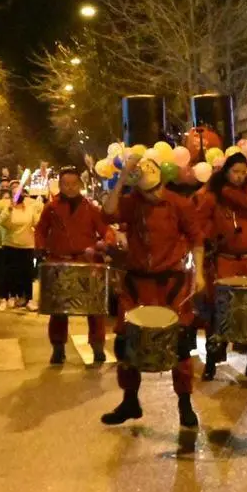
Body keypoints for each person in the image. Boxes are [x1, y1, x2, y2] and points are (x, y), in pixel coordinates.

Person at [102, 155, 206, 428]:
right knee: (125, 344)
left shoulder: (178, 203)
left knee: (179, 345)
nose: (155, 193)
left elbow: (197, 239)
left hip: (170, 282)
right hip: (137, 282)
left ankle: (184, 404)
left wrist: (201, 273)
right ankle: (130, 400)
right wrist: (123, 176)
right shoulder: (132, 203)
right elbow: (108, 211)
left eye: (158, 186)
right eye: (148, 189)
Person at [198, 152, 247, 381]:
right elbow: (199, 223)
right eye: (235, 172)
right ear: (227, 172)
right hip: (226, 261)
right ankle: (211, 362)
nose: (240, 177)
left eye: (243, 172)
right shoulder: (213, 198)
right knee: (220, 311)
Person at [35, 167, 113, 364]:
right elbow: (40, 231)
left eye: (73, 184)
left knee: (94, 309)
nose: (70, 188)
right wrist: (40, 248)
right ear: (60, 185)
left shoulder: (91, 208)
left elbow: (106, 231)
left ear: (80, 185)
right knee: (58, 309)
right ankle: (58, 348)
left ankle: (97, 347)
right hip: (60, 261)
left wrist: (102, 245)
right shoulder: (51, 207)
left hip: (86, 263)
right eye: (65, 184)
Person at [0, 184, 41, 311]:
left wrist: (40, 209)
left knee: (27, 274)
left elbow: (36, 223)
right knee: (9, 273)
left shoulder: (29, 209)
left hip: (27, 246)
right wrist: (9, 209)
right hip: (10, 245)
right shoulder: (8, 209)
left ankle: (27, 299)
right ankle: (5, 298)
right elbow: (2, 222)